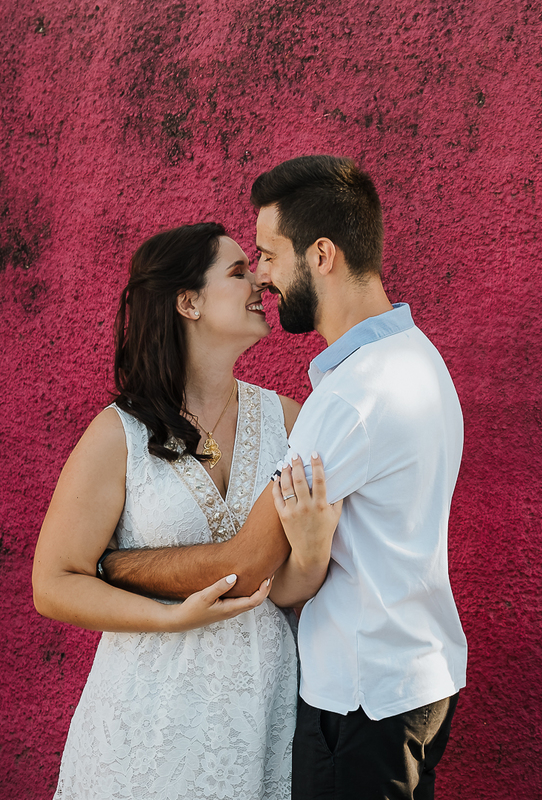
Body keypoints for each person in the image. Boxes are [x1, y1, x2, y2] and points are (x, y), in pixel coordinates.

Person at [94, 155, 469, 800]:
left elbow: (247, 565)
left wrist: (117, 565)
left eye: (268, 255)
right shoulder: (417, 359)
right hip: (412, 681)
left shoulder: (350, 397)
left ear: (321, 255)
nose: (263, 278)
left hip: (363, 699)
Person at [31, 222, 337, 798]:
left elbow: (283, 589)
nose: (260, 285)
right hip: (145, 724)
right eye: (239, 272)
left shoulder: (293, 421)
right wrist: (172, 617)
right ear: (188, 302)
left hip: (258, 716)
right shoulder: (117, 434)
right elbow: (52, 583)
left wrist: (314, 554)